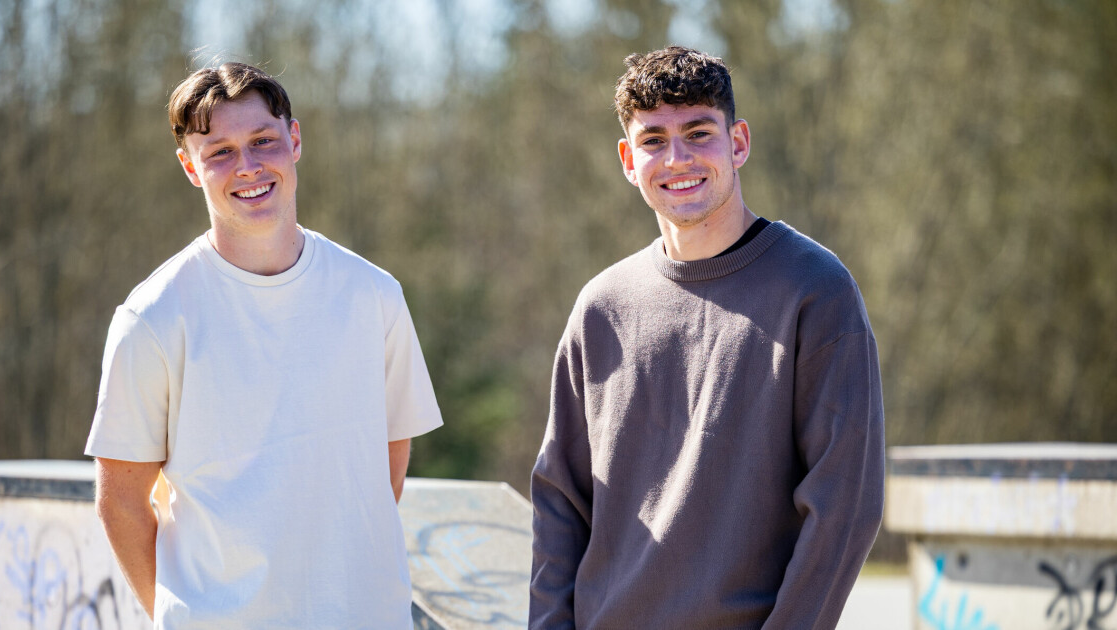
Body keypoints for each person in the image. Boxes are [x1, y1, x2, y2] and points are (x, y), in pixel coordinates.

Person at [529, 46, 885, 629]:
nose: (677, 158)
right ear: (628, 159)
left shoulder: (815, 290)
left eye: (698, 133)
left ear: (738, 143)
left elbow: (844, 506)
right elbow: (559, 503)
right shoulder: (601, 308)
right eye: (653, 140)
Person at [85, 62, 443, 629]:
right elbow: (121, 502)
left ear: (294, 140)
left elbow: (387, 464)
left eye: (262, 141)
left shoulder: (373, 295)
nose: (248, 166)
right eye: (220, 152)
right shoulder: (152, 318)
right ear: (189, 167)